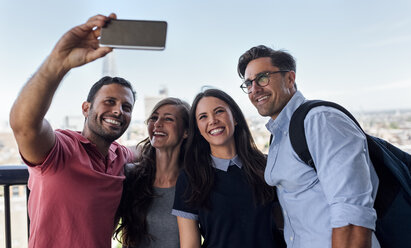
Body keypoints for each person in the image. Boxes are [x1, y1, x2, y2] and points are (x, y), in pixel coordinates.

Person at [9, 14, 138, 248]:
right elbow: (24, 124)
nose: (118, 111)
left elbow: (147, 151)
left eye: (126, 107)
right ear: (86, 108)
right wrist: (59, 62)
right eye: (109, 102)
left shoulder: (120, 156)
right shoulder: (59, 150)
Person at [237, 45, 380, 248]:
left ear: (290, 78)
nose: (255, 89)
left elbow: (352, 217)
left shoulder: (320, 121)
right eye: (249, 84)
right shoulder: (279, 135)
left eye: (263, 78)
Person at [172, 88, 285, 248]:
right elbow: (190, 244)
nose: (212, 120)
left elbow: (285, 225)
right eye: (203, 117)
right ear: (197, 128)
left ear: (235, 118)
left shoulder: (266, 166)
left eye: (219, 112)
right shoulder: (190, 178)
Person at [115, 97, 190, 248]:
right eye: (154, 118)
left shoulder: (195, 183)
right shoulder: (130, 175)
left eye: (168, 119)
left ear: (186, 132)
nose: (157, 123)